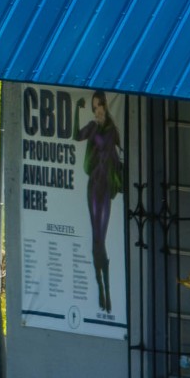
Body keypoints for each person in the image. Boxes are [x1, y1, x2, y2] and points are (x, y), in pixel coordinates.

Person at [72, 90, 123, 314]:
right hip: (93, 185)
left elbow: (117, 150)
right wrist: (76, 110)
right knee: (95, 240)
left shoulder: (112, 130)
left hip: (105, 187)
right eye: (94, 108)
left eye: (99, 106)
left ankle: (109, 292)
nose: (97, 110)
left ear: (105, 105)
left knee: (101, 238)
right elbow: (76, 135)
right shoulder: (93, 127)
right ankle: (101, 289)